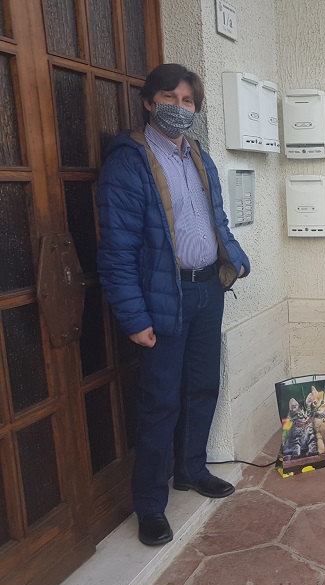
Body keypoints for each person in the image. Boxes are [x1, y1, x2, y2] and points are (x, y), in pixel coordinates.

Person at [97, 64, 250, 546]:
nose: (180, 109)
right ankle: (150, 505)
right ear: (149, 102)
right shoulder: (129, 162)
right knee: (159, 401)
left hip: (207, 290)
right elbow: (116, 250)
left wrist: (236, 259)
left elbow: (215, 219)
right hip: (165, 296)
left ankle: (191, 469)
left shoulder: (199, 156)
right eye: (170, 98)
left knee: (203, 386)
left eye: (188, 101)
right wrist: (134, 318)